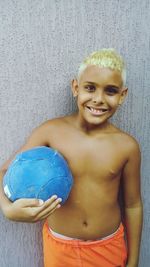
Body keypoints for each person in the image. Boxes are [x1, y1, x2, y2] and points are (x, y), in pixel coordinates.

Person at [0, 48, 143, 267]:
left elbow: (133, 205)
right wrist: (8, 209)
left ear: (122, 95)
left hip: (108, 248)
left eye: (111, 91)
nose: (98, 99)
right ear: (76, 87)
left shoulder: (127, 146)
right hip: (60, 248)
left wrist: (133, 261)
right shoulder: (51, 131)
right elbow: (3, 171)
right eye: (90, 88)